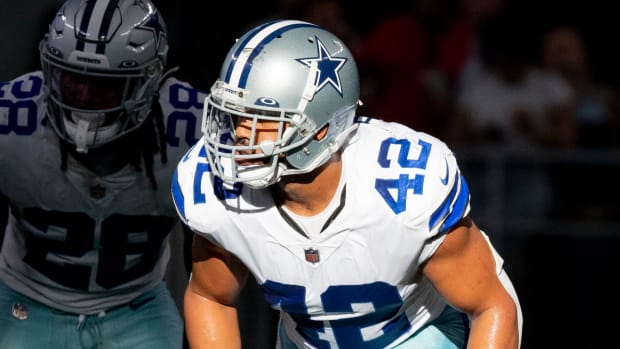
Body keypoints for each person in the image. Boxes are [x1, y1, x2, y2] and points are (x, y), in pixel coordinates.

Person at [173, 19, 523, 348]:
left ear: (320, 129)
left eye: (262, 121)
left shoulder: (400, 189)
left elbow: (492, 306)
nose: (240, 136)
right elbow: (210, 296)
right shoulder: (216, 189)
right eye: (235, 118)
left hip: (414, 333)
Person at [0, 0, 204, 348]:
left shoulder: (193, 132)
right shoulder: (11, 122)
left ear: (148, 82)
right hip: (28, 300)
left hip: (137, 308)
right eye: (72, 78)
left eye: (104, 84)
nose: (82, 96)